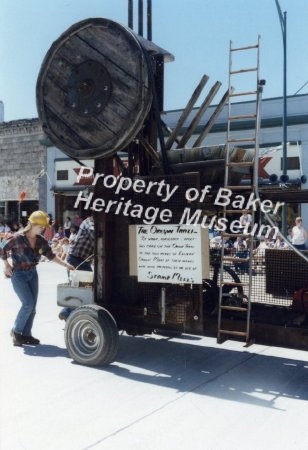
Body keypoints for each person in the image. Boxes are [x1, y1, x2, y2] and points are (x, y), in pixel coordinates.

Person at [0, 210, 74, 347]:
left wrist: (66, 264)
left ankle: (26, 335)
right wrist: (6, 265)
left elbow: (51, 255)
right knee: (27, 303)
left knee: (32, 306)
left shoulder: (41, 241)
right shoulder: (17, 237)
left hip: (32, 273)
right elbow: (2, 248)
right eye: (41, 227)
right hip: (19, 275)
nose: (43, 229)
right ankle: (16, 332)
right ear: (33, 224)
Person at [59, 213, 95, 320]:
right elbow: (95, 234)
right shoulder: (88, 222)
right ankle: (68, 313)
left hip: (83, 261)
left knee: (82, 287)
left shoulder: (95, 223)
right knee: (80, 288)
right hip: (75, 259)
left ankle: (66, 312)